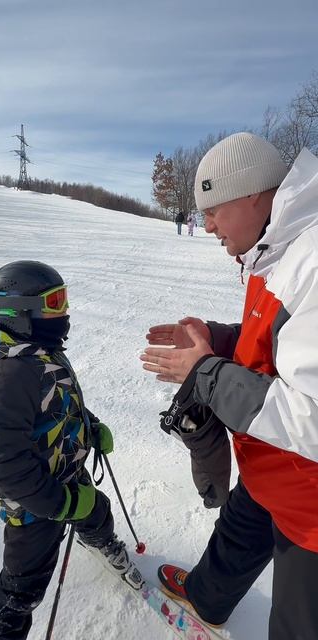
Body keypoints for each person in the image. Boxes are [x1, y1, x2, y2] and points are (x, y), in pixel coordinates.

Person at [140, 132, 318, 640]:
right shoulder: (274, 251)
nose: (206, 224)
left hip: (311, 504)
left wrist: (206, 372)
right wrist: (214, 340)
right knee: (243, 521)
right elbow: (281, 344)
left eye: (213, 209)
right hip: (276, 464)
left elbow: (311, 416)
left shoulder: (311, 260)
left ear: (254, 196)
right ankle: (207, 598)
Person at [0, 260, 143, 640]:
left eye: (63, 300)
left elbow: (58, 400)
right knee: (20, 590)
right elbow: (9, 470)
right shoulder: (5, 377)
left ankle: (102, 542)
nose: (63, 313)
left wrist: (88, 425)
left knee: (97, 510)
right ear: (20, 311)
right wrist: (61, 504)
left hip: (67, 470)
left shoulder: (39, 350)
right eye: (54, 303)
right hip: (35, 506)